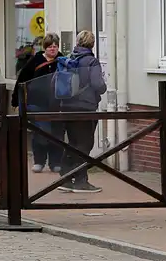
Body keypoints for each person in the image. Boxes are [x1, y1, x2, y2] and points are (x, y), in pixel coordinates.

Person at [55, 30, 107, 193]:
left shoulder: (68, 59)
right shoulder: (92, 61)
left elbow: (53, 82)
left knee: (72, 143)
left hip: (66, 106)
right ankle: (81, 181)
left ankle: (65, 178)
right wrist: (103, 88)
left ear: (77, 43)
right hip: (85, 108)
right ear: (92, 44)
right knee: (85, 144)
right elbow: (98, 84)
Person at [11, 32, 64, 174]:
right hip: (37, 103)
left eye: (55, 46)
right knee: (40, 132)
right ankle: (39, 161)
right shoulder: (36, 60)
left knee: (56, 133)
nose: (53, 49)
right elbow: (22, 79)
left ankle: (55, 162)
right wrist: (16, 99)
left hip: (56, 104)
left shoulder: (62, 60)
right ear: (44, 47)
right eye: (50, 46)